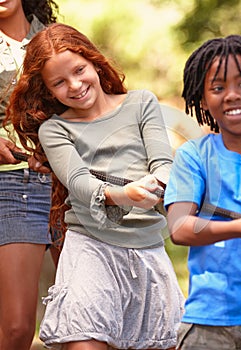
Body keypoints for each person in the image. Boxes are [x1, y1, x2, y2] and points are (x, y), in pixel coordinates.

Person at [6, 23, 184, 349]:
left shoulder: (141, 103)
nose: (74, 85)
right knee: (84, 341)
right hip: (90, 247)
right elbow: (79, 182)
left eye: (79, 70)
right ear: (47, 90)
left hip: (146, 251)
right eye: (59, 82)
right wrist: (121, 195)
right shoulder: (55, 129)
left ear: (95, 63)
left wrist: (161, 182)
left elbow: (162, 162)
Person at [164, 35, 241, 350]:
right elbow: (179, 227)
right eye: (218, 88)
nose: (232, 95)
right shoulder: (194, 156)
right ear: (202, 99)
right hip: (208, 320)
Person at [0, 1, 60, 349]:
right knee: (18, 328)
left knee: (81, 317)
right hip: (12, 183)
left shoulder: (52, 39)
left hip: (67, 183)